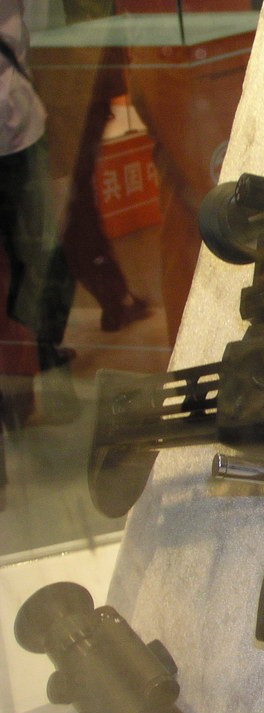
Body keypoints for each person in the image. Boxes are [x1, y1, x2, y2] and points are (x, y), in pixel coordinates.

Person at [0, 0, 78, 423]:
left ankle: (41, 368)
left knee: (42, 261)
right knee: (40, 260)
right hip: (18, 128)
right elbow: (45, 28)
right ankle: (38, 372)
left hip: (19, 129)